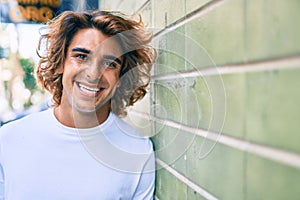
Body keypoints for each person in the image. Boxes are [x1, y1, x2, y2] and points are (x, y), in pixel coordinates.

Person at [0, 10, 156, 199]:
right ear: (60, 63)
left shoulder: (137, 152)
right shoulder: (7, 140)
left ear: (121, 76)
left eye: (110, 63)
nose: (93, 73)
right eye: (81, 56)